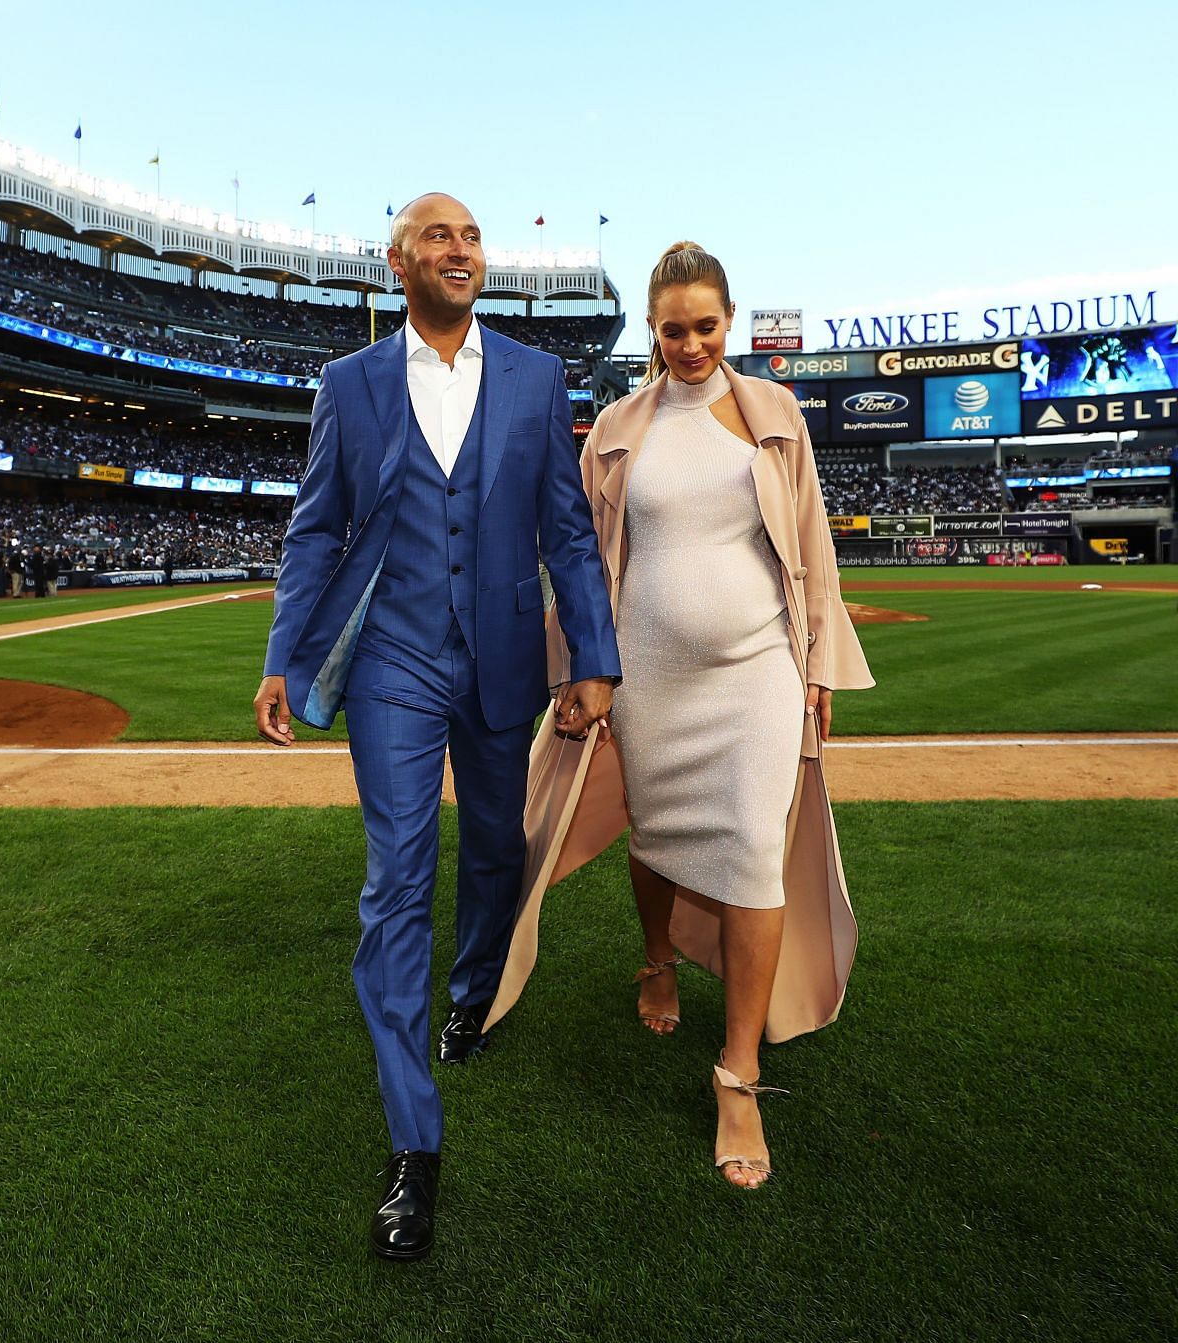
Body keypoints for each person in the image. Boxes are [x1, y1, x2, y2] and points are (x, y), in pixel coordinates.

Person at [253, 193, 620, 1261]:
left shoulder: (537, 377)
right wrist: (283, 655)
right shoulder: (348, 385)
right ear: (397, 262)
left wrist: (592, 656)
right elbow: (315, 528)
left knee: (497, 850)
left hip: (505, 654)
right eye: (436, 237)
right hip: (394, 666)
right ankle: (414, 1145)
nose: (458, 251)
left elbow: (566, 527)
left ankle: (470, 993)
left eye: (469, 237)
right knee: (395, 875)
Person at [486, 242, 875, 1191]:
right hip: (647, 675)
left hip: (757, 672)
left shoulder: (777, 414)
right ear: (650, 332)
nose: (690, 344)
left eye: (705, 326)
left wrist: (819, 661)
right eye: (672, 329)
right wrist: (583, 667)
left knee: (750, 848)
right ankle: (656, 961)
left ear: (729, 321)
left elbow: (812, 543)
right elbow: (579, 562)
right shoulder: (617, 427)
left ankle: (737, 1073)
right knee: (655, 835)